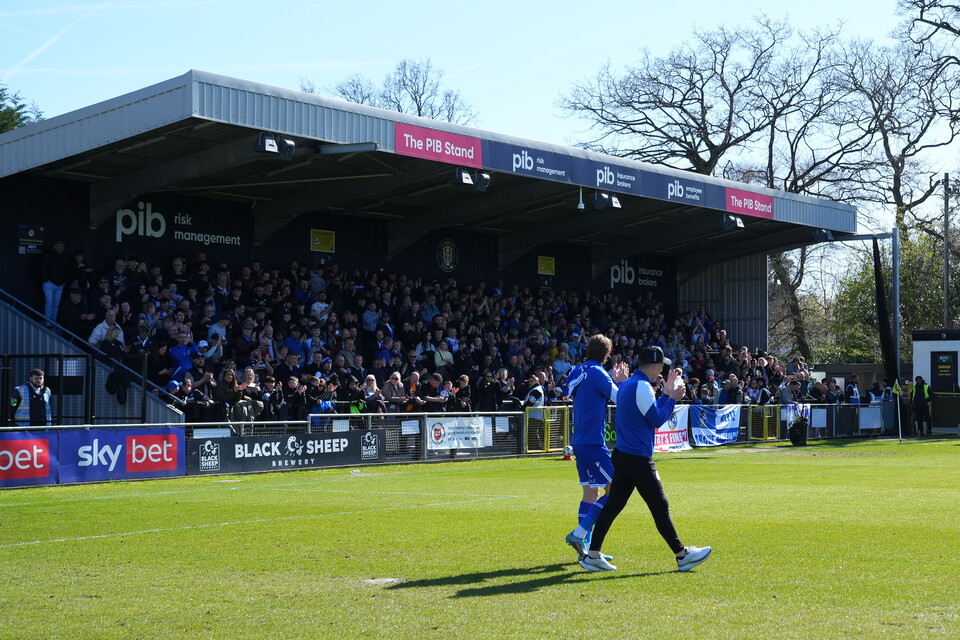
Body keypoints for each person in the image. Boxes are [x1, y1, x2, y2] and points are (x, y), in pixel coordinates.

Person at [579, 346, 712, 573]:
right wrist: (671, 397)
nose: (661, 371)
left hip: (623, 455)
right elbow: (657, 419)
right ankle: (682, 555)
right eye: (660, 367)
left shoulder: (631, 384)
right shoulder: (641, 386)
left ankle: (592, 555)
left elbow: (647, 413)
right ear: (654, 366)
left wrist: (665, 395)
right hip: (636, 457)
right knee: (660, 506)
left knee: (613, 506)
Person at [563, 334, 629, 560]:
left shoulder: (577, 370)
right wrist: (620, 380)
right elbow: (621, 399)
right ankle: (580, 534)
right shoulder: (598, 373)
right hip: (592, 441)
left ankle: (587, 550)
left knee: (591, 491)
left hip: (579, 439)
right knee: (616, 489)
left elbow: (567, 393)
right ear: (607, 354)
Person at [40, 240, 71, 323]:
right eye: (58, 245)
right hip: (49, 283)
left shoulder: (65, 257)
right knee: (49, 302)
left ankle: (53, 322)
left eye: (62, 246)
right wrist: (47, 279)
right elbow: (42, 267)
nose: (60, 247)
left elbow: (68, 270)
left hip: (60, 284)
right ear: (54, 246)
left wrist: (65, 281)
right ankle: (48, 322)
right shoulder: (48, 255)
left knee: (56, 304)